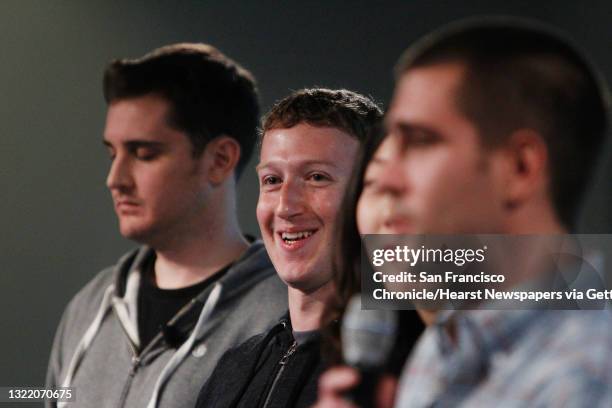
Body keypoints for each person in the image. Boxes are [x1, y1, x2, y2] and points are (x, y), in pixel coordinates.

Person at [316, 17, 612, 407]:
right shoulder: (443, 344)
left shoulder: (590, 375)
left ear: (519, 168)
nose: (384, 179)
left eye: (420, 142)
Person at [45, 43, 287, 408]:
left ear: (220, 160)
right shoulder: (89, 306)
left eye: (144, 154)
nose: (116, 178)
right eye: (113, 153)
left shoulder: (284, 313)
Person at [195, 88, 383, 408]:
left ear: (372, 194)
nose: (285, 206)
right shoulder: (233, 370)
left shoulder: (405, 364)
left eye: (316, 177)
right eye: (272, 180)